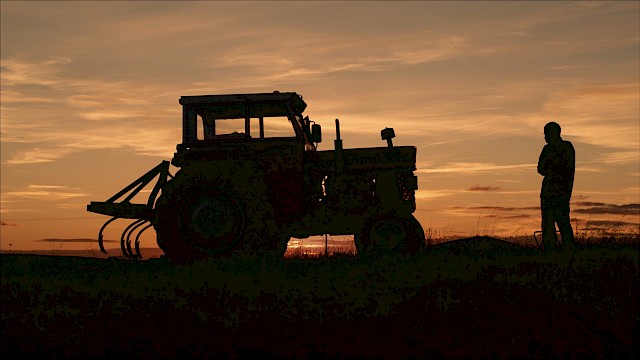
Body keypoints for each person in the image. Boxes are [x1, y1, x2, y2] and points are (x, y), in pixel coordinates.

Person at [537, 122, 576, 252]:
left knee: (563, 223)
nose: (545, 137)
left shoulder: (566, 147)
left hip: (561, 193)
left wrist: (552, 167)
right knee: (547, 226)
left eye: (546, 133)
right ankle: (550, 252)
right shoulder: (546, 149)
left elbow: (566, 168)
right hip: (547, 193)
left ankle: (569, 252)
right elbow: (540, 169)